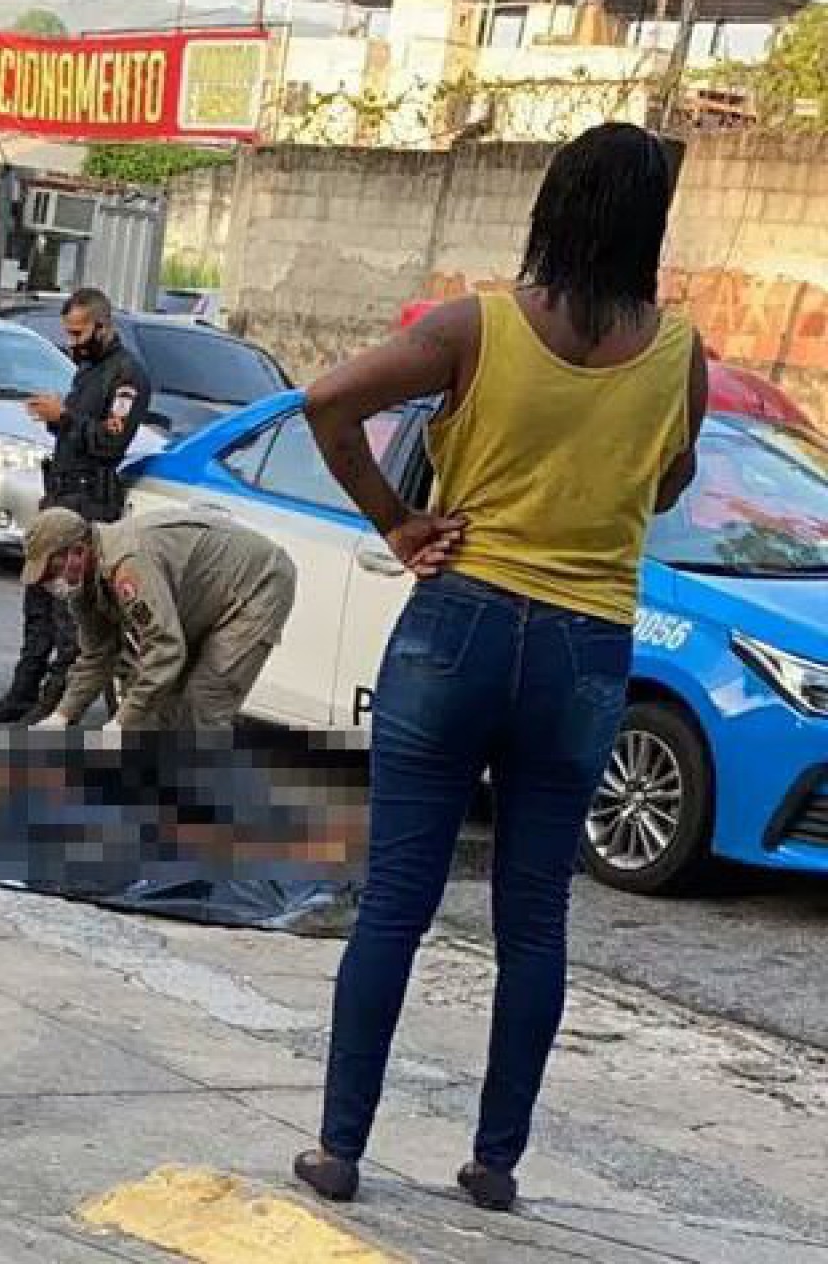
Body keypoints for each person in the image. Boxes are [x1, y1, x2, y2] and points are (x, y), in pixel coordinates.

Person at [295, 123, 706, 1213]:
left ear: (552, 207)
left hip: (459, 624)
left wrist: (397, 521)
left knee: (397, 902)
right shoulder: (682, 353)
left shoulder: (474, 326)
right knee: (534, 918)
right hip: (584, 647)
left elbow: (327, 404)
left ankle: (340, 1149)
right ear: (647, 226)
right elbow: (666, 486)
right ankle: (495, 1164)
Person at [0, 287, 150, 726]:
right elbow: (74, 434)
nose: (72, 342)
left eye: (78, 332)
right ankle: (23, 689)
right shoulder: (86, 371)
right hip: (59, 495)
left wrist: (64, 418)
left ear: (103, 325)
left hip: (88, 502)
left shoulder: (125, 375)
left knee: (69, 606)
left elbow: (110, 443)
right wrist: (59, 421)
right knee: (38, 597)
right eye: (68, 334)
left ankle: (55, 700)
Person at [20, 507, 295, 733]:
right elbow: (97, 655)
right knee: (159, 702)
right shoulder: (82, 587)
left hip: (256, 583)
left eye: (51, 570)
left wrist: (122, 722)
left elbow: (164, 649)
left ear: (78, 552)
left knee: (203, 705)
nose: (49, 583)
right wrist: (63, 715)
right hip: (207, 594)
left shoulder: (128, 563)